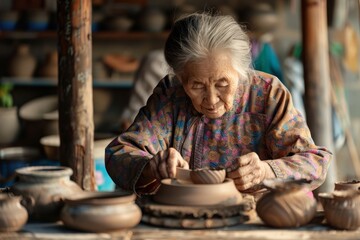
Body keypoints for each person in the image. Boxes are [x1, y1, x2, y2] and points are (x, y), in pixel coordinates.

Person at [105, 13, 332, 196]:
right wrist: (152, 166)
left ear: (241, 73)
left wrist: (266, 171)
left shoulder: (267, 92)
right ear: (180, 78)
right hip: (182, 214)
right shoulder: (171, 94)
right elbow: (118, 154)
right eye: (197, 86)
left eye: (222, 84)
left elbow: (314, 163)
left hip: (258, 219)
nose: (211, 100)